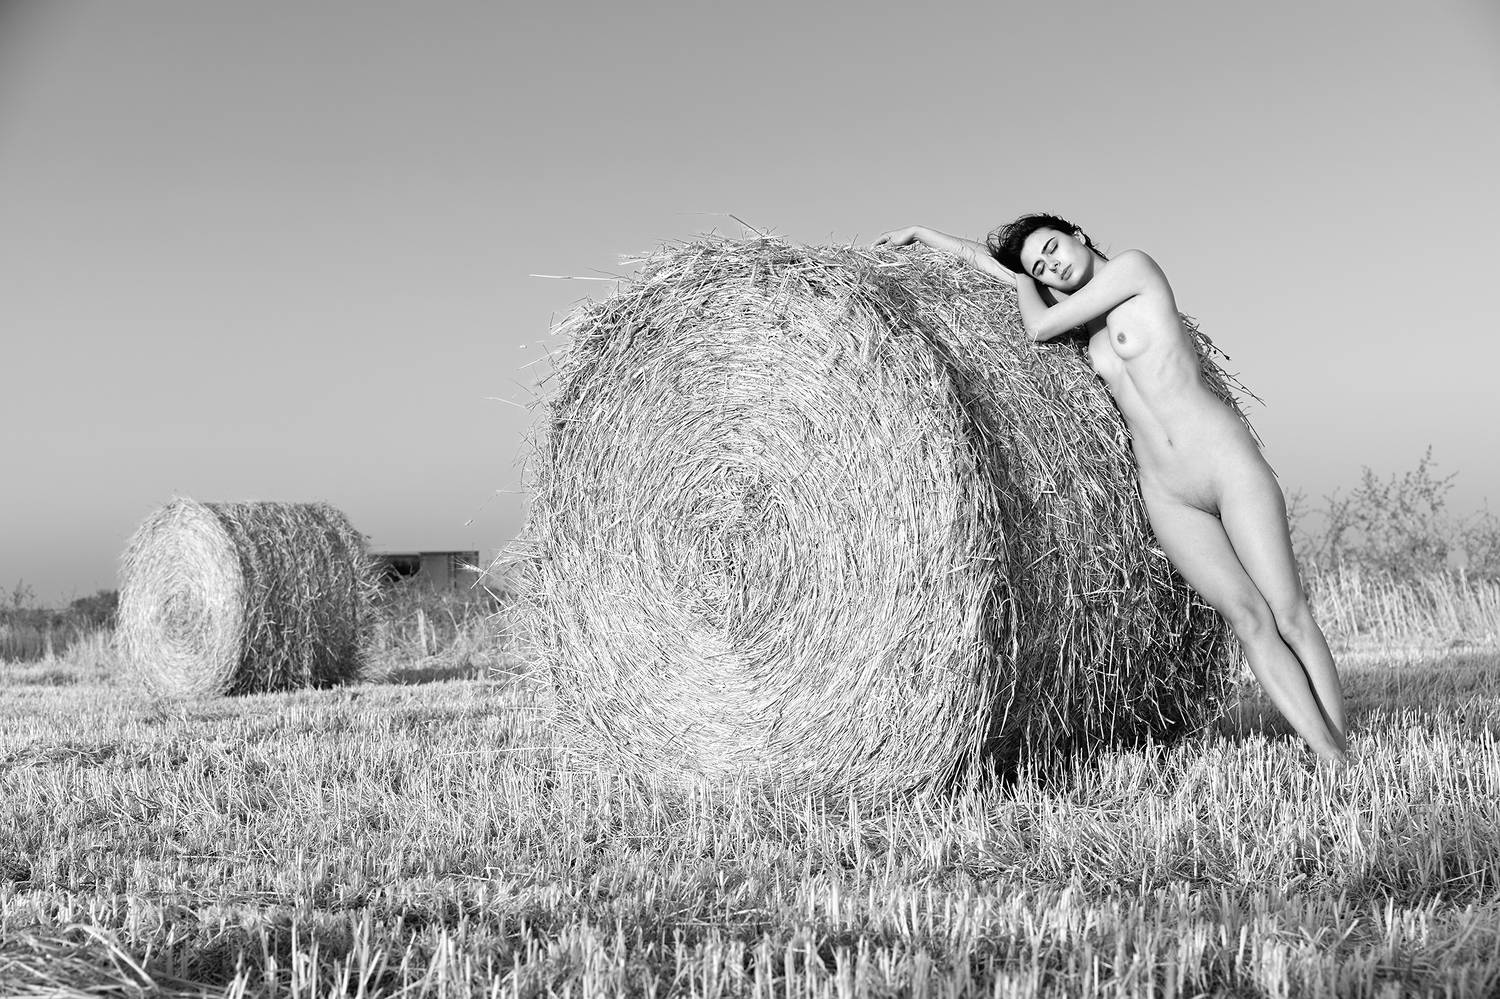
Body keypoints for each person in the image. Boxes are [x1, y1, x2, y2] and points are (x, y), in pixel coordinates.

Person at [871, 217, 1349, 763]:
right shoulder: (1082, 316)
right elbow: (994, 272)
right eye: (1039, 267)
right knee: (1247, 617)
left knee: (1289, 615)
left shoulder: (1133, 269)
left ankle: (1341, 743)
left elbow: (1037, 326)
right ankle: (1328, 756)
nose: (1051, 266)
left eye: (1052, 248)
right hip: (1167, 491)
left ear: (1077, 235)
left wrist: (1022, 278)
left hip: (1225, 463)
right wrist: (924, 235)